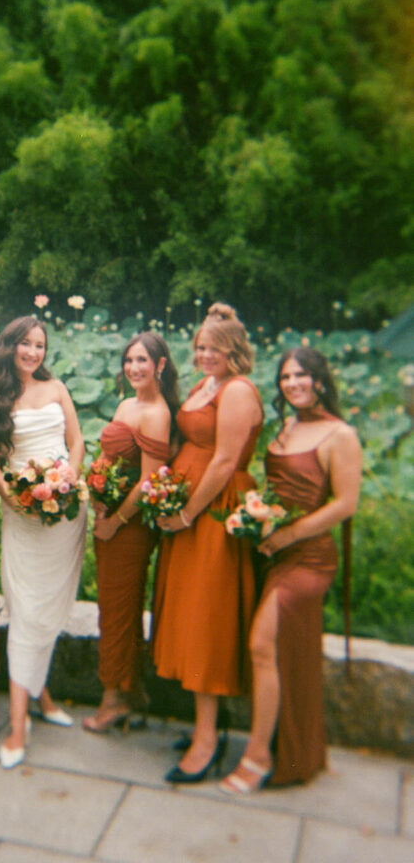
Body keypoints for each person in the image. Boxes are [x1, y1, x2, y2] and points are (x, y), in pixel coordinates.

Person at [221, 347, 361, 793]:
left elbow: (345, 504)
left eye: (301, 375)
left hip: (310, 556)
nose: (293, 383)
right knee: (279, 653)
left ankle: (259, 755)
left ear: (319, 380)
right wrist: (255, 516)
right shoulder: (288, 426)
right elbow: (277, 488)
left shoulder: (341, 435)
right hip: (273, 549)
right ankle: (295, 746)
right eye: (285, 377)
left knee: (262, 644)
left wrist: (288, 534)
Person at [152, 303, 263, 783]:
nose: (204, 354)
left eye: (215, 347)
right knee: (188, 615)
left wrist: (186, 512)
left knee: (205, 620)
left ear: (235, 351)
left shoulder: (237, 391)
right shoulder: (205, 386)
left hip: (212, 514)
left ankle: (207, 740)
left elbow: (223, 461)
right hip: (186, 511)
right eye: (199, 347)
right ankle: (204, 726)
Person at [0, 316, 86, 768]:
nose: (33, 352)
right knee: (24, 610)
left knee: (49, 610)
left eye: (40, 345)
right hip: (22, 512)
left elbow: (76, 442)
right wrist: (11, 495)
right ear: (10, 346)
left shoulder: (58, 388)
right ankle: (18, 725)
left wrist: (68, 477)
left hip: (64, 514)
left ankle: (43, 698)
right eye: (25, 344)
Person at [84, 333, 178, 733]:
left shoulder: (157, 413)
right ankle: (132, 691)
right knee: (114, 606)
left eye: (143, 360)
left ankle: (113, 699)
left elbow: (149, 481)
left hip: (130, 526)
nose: (134, 367)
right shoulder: (126, 403)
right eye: (129, 360)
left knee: (119, 611)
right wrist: (96, 494)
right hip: (110, 517)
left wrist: (115, 521)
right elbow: (110, 458)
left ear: (159, 365)